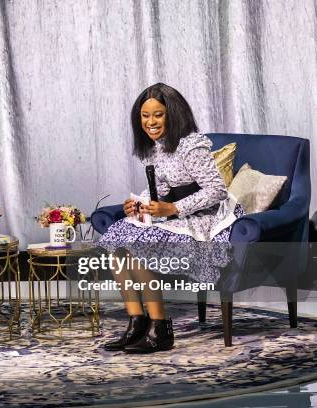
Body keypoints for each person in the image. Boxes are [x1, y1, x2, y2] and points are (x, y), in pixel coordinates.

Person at [97, 83, 243, 354]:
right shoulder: (156, 148)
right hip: (176, 210)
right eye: (145, 115)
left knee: (137, 247)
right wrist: (139, 203)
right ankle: (137, 322)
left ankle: (160, 327)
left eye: (158, 115)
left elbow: (217, 190)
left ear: (172, 114)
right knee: (117, 246)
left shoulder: (191, 146)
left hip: (206, 215)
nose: (150, 122)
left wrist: (172, 209)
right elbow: (161, 189)